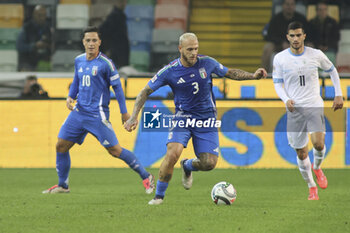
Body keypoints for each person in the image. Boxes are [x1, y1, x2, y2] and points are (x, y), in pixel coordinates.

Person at [124, 32, 267, 205]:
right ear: (180, 49)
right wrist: (133, 116)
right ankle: (158, 197)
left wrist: (253, 76)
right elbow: (144, 91)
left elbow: (230, 73)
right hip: (183, 117)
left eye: (196, 49)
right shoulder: (169, 71)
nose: (194, 53)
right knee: (172, 153)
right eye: (190, 49)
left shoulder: (207, 63)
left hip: (206, 119)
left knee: (209, 163)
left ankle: (188, 165)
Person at [42, 26, 154, 194]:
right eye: (88, 40)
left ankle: (146, 177)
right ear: (83, 42)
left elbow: (117, 88)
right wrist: (71, 96)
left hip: (97, 116)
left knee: (115, 151)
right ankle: (63, 185)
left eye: (94, 40)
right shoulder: (79, 60)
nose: (91, 43)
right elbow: (77, 80)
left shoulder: (106, 64)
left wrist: (124, 113)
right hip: (79, 113)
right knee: (61, 146)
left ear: (100, 42)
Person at [272, 21, 343, 200]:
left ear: (304, 36)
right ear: (287, 37)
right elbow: (278, 83)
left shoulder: (316, 55)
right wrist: (286, 99)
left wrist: (338, 94)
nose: (295, 39)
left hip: (313, 104)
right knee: (301, 152)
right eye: (292, 36)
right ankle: (312, 187)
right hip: (294, 109)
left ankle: (317, 168)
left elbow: (333, 71)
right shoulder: (280, 58)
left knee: (318, 144)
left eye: (298, 35)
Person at [261, 0, 309, 72]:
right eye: (287, 4)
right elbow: (269, 35)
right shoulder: (276, 19)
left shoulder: (301, 19)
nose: (289, 7)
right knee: (267, 47)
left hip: (298, 44)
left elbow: (308, 34)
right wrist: (281, 43)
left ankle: (309, 71)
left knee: (310, 46)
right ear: (283, 6)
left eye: (292, 4)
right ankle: (264, 74)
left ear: (295, 6)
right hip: (279, 45)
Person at [16, 5, 52, 71]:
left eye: (44, 15)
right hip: (27, 63)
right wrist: (34, 46)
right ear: (34, 15)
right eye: (39, 15)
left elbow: (51, 46)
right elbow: (19, 47)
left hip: (43, 62)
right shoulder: (26, 28)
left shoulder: (47, 28)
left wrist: (48, 45)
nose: (42, 18)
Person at [99, 0, 129, 68]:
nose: (124, 4)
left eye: (124, 2)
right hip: (116, 54)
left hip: (117, 53)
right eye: (121, 2)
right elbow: (103, 33)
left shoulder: (119, 15)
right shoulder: (116, 16)